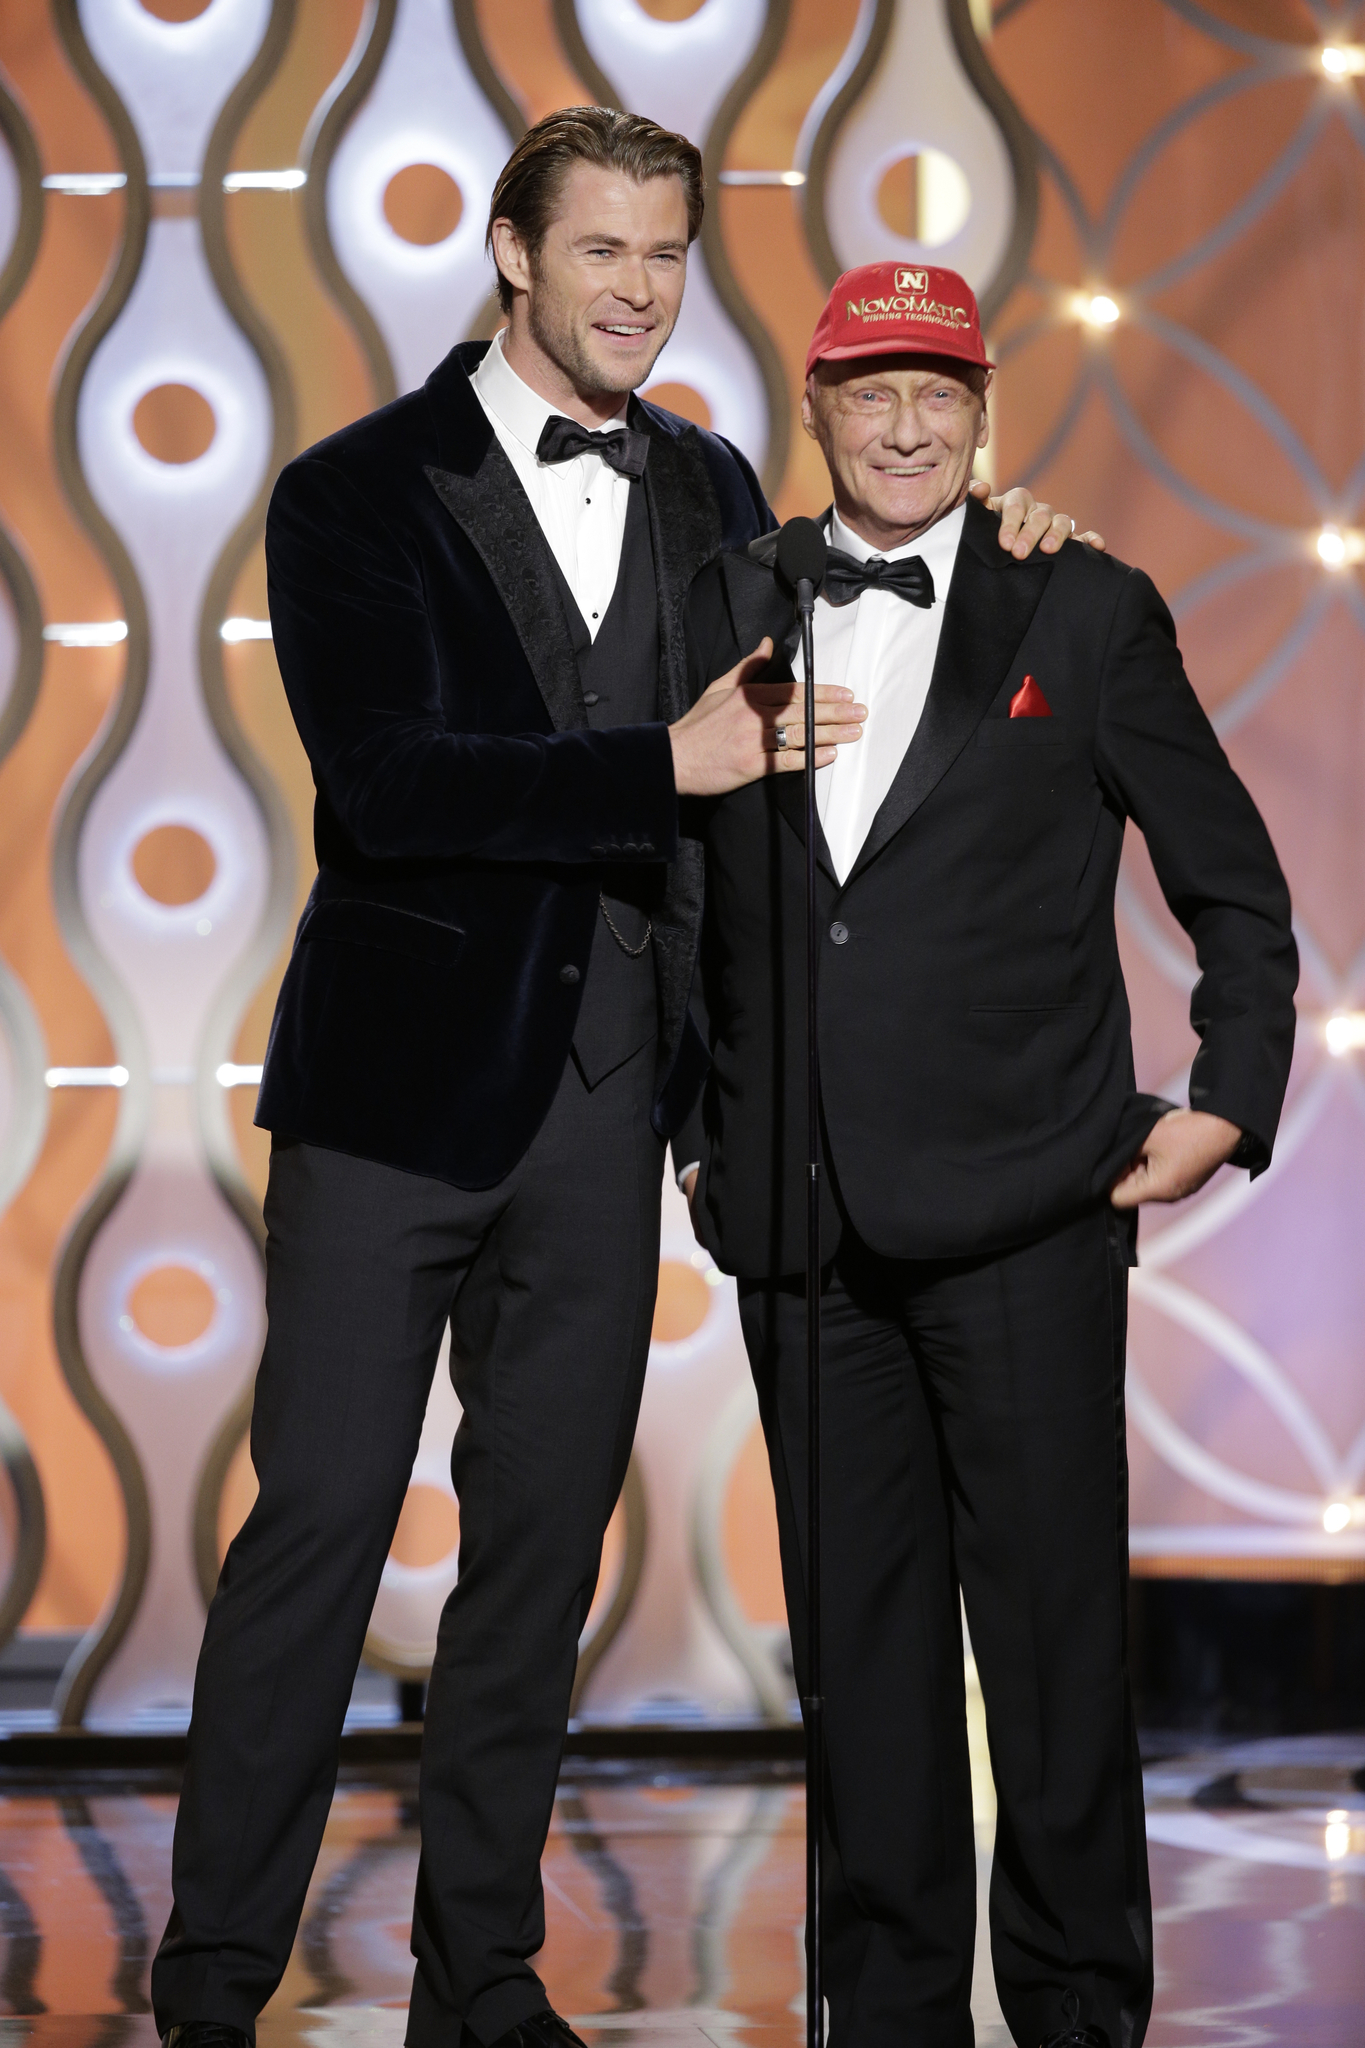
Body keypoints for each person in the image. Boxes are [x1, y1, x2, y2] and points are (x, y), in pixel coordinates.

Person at [151, 106, 1085, 2048]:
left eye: (665, 255)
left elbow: (841, 688)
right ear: (511, 254)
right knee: (317, 1522)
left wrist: (1009, 557)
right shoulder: (353, 493)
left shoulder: (713, 487)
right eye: (603, 253)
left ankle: (476, 1971)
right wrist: (650, 765)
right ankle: (217, 1971)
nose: (641, 292)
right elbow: (386, 786)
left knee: (539, 1548)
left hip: (603, 1100)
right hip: (395, 1093)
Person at [676, 263, 1298, 2048]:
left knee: (1048, 1664)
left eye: (936, 390)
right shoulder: (727, 602)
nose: (904, 423)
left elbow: (1234, 893)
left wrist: (1224, 1103)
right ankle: (881, 2021)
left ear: (983, 403)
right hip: (799, 1225)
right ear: (815, 409)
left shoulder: (1084, 606)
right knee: (861, 1673)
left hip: (1030, 1210)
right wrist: (703, 1147)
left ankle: (1080, 2016)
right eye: (868, 390)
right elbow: (678, 905)